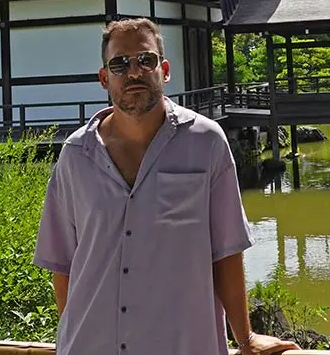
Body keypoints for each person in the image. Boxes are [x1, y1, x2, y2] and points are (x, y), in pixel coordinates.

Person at [34, 17, 297, 355]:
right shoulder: (75, 155)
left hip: (183, 344)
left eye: (146, 60)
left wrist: (244, 338)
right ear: (104, 78)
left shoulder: (206, 142)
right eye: (119, 64)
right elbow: (64, 265)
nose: (134, 72)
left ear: (165, 69)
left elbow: (227, 251)